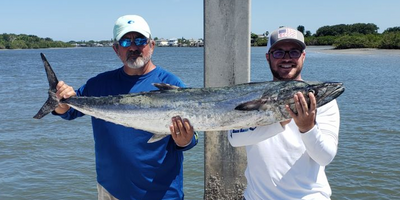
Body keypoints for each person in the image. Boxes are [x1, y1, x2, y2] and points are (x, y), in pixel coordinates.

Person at [53, 15, 198, 200]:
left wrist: (184, 140)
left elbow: (193, 138)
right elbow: (69, 111)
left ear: (152, 45)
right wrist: (60, 102)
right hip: (111, 191)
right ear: (116, 49)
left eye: (140, 40)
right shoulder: (99, 84)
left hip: (161, 194)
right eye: (125, 41)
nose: (133, 47)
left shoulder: (171, 84)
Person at [228, 27, 340, 200]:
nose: (287, 58)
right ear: (268, 57)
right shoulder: (251, 95)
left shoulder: (322, 100)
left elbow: (325, 158)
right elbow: (235, 138)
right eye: (279, 52)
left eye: (294, 52)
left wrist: (307, 128)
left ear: (303, 56)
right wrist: (279, 121)